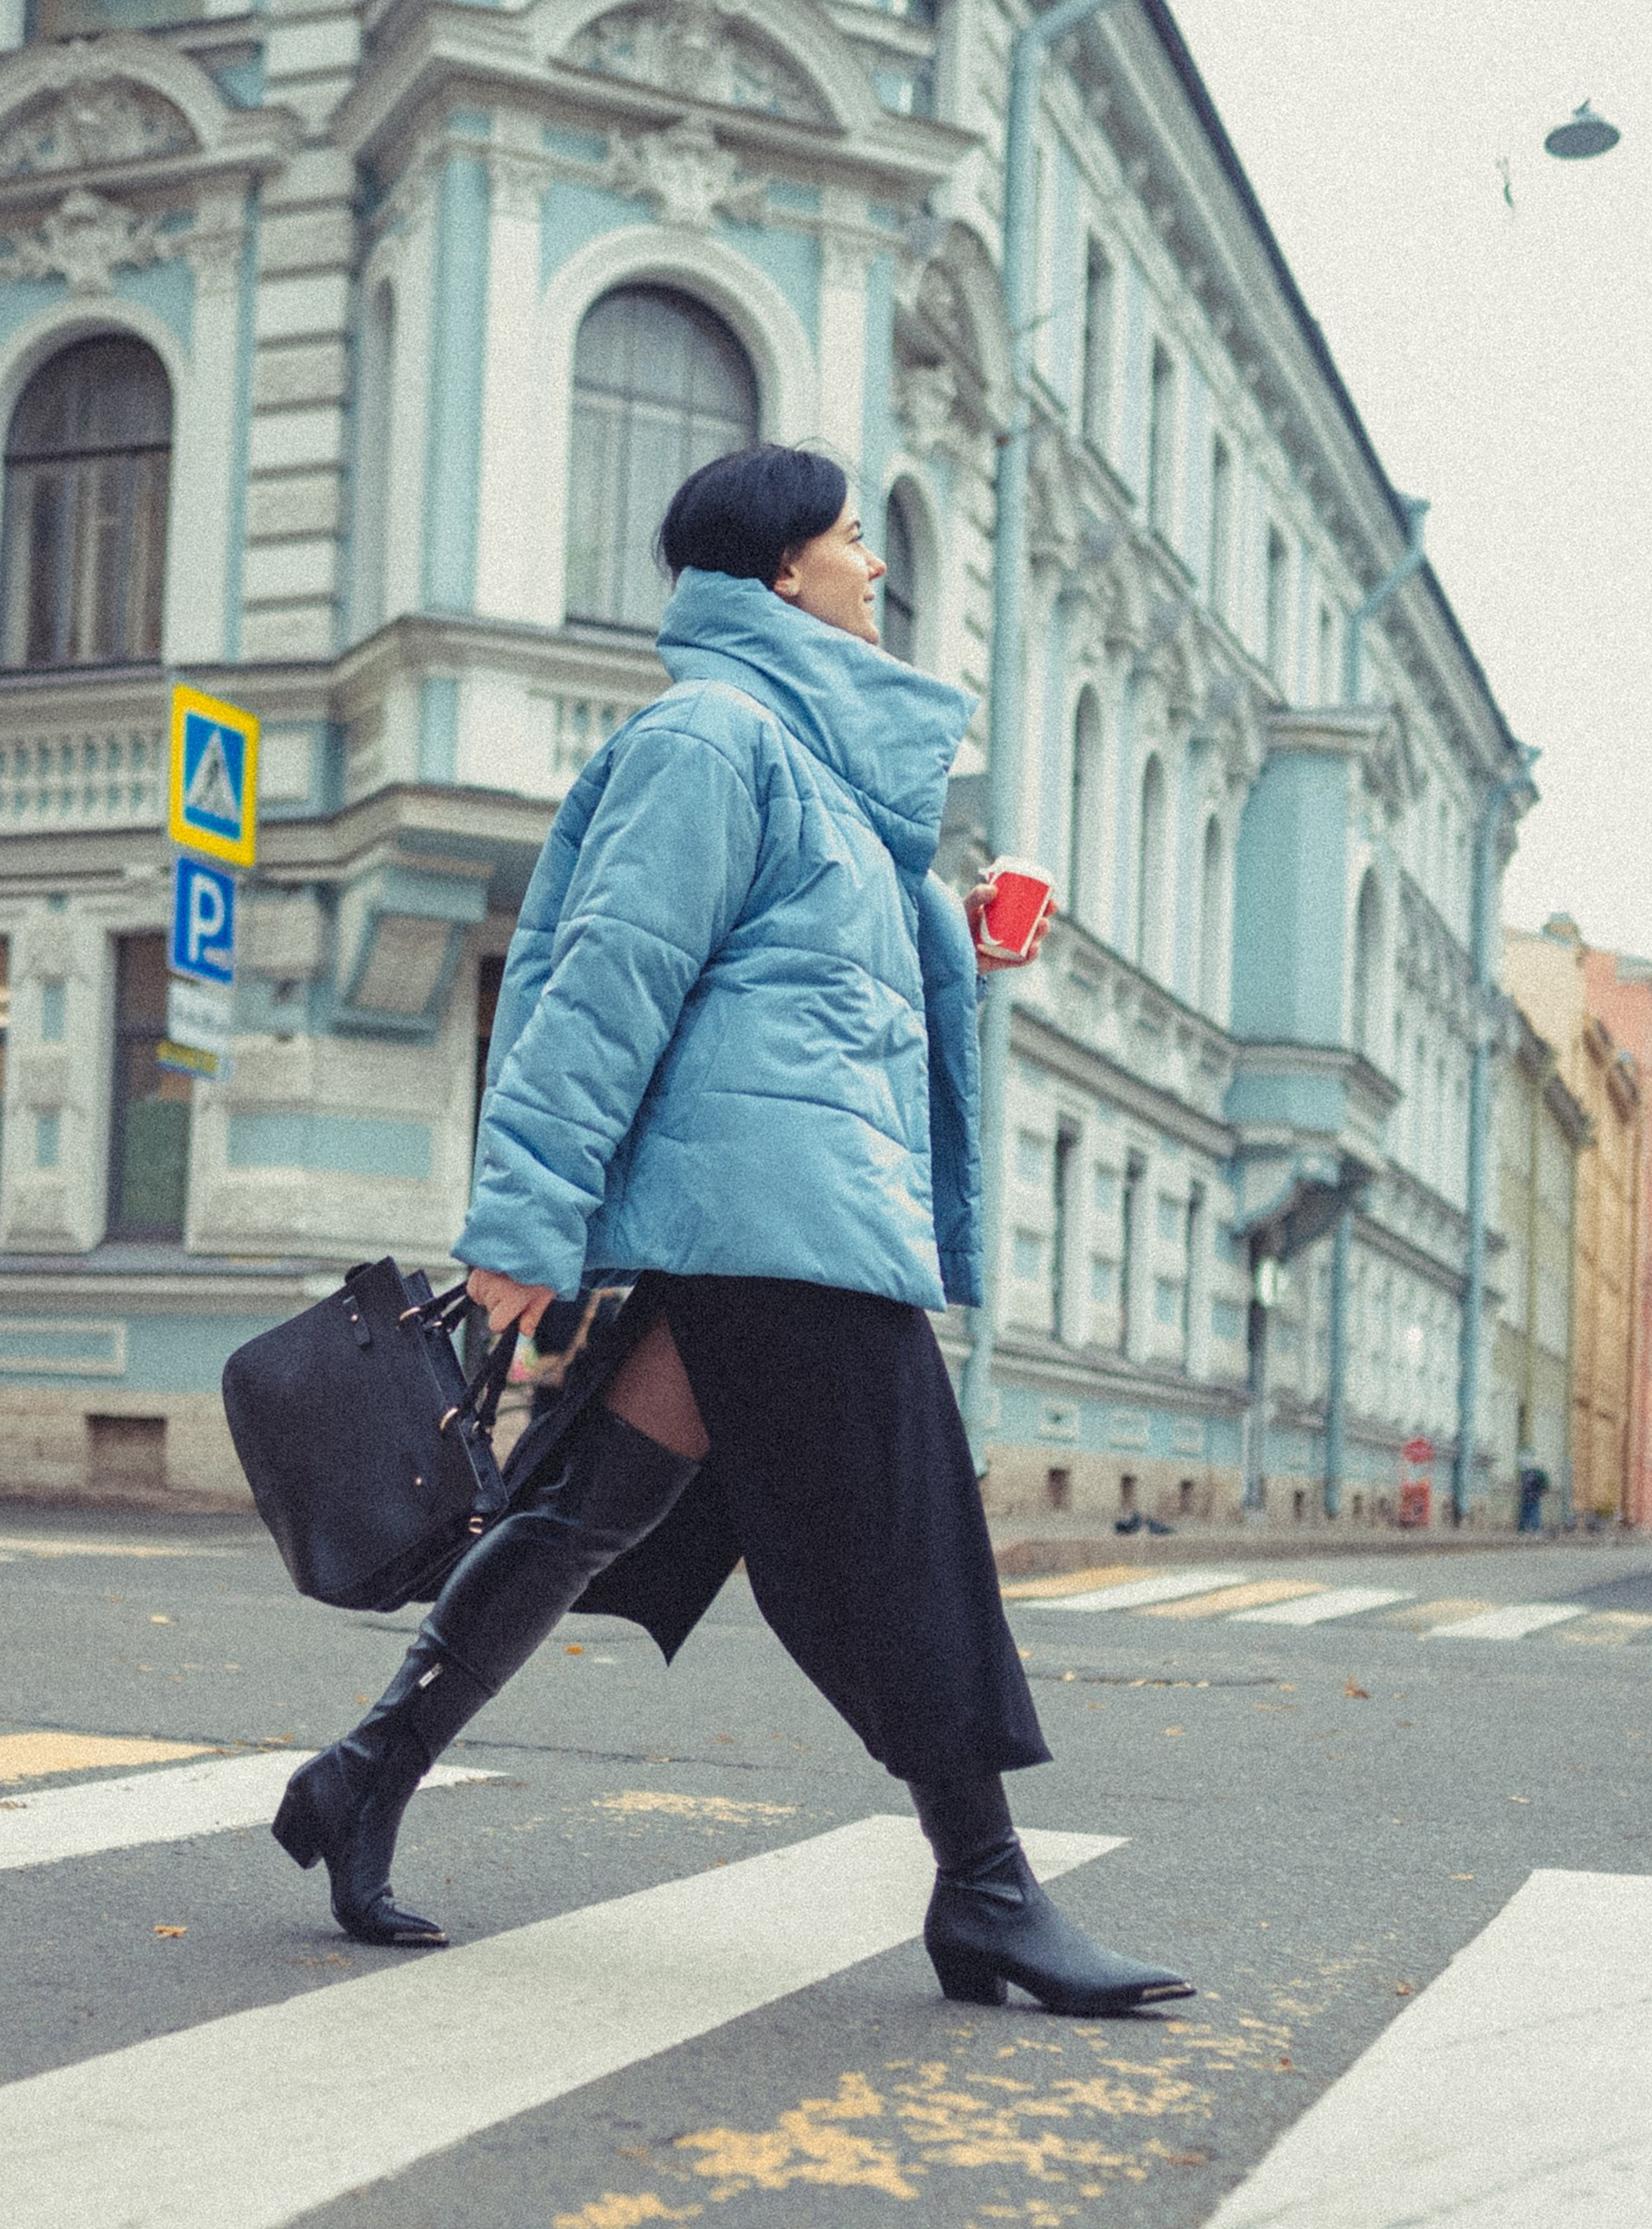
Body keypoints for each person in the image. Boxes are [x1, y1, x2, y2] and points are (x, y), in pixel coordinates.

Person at [273, 445, 1192, 2018]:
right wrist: (524, 1226)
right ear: (780, 571)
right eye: (849, 541)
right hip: (776, 1220)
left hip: (780, 1206)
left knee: (582, 1515)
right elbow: (604, 976)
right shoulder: (712, 737)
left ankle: (363, 1774)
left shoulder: (814, 765)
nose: (870, 565)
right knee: (905, 1545)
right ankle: (984, 1891)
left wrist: (952, 947)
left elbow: (796, 994)